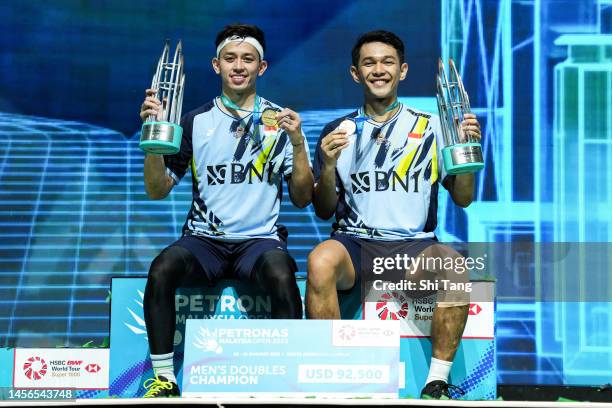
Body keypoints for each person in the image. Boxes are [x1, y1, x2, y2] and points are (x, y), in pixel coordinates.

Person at [138, 23, 313, 398]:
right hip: (205, 240)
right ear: (216, 65)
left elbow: (302, 198)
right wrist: (154, 138)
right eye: (230, 59)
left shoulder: (279, 122)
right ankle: (165, 379)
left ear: (261, 68)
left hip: (258, 243)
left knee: (282, 273)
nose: (239, 66)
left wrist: (298, 144)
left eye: (247, 59)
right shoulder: (195, 121)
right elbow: (157, 189)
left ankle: (287, 379)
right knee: (162, 268)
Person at [306, 30, 482, 400]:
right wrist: (327, 167)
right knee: (320, 260)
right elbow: (323, 210)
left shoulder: (434, 126)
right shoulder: (336, 132)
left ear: (402, 71)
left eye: (387, 62)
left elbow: (463, 199)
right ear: (356, 73)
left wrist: (467, 153)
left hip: (413, 247)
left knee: (454, 266)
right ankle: (334, 373)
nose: (378, 70)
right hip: (354, 244)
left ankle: (436, 381)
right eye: (368, 63)